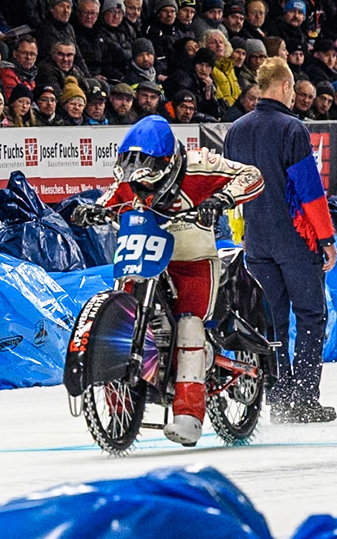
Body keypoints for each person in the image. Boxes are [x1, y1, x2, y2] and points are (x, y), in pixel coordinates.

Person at [75, 114, 265, 447]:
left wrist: (222, 199)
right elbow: (113, 196)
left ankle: (189, 414)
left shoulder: (200, 166)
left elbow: (252, 175)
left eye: (148, 183)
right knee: (123, 310)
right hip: (145, 255)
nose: (142, 189)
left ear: (167, 166)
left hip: (192, 260)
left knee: (190, 324)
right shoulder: (133, 177)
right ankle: (122, 402)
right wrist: (93, 210)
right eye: (137, 185)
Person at [222, 56, 337, 423]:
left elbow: (230, 191)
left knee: (270, 322)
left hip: (256, 240)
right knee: (310, 316)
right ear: (285, 87)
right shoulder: (293, 130)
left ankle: (279, 395)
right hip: (295, 240)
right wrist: (327, 238)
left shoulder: (235, 131)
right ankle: (303, 398)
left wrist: (241, 235)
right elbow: (309, 191)